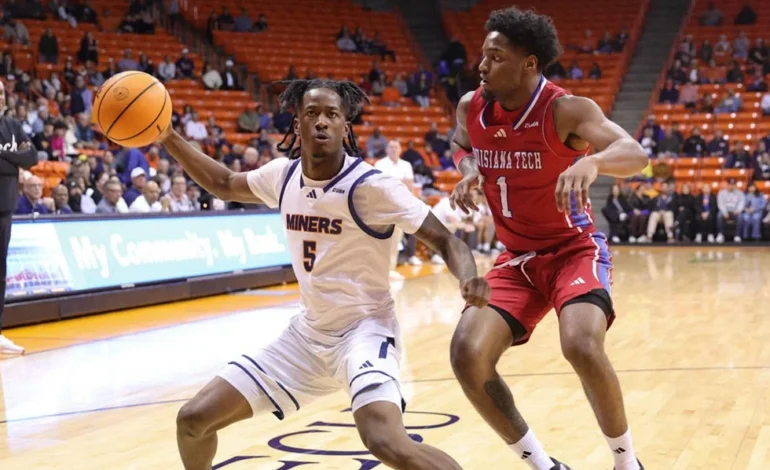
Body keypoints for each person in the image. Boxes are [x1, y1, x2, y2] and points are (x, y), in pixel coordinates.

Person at [155, 78, 491, 470]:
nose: (321, 121)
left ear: (345, 125)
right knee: (193, 420)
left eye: (332, 114)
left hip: (365, 332)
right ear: (297, 122)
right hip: (306, 337)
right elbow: (224, 183)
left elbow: (447, 240)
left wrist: (468, 278)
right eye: (312, 112)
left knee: (386, 441)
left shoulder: (372, 187)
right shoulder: (282, 176)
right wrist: (168, 137)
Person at [447, 8, 648, 470]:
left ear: (529, 64)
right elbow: (461, 143)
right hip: (516, 258)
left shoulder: (565, 110)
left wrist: (593, 161)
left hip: (572, 251)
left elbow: (634, 153)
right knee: (467, 354)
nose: (482, 66)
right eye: (483, 55)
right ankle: (544, 466)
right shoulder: (470, 106)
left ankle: (626, 463)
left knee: (580, 344)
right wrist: (470, 169)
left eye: (496, 57)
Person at [0, 80, 38, 354]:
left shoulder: (12, 125)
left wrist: (5, 155)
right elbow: (19, 160)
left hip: (5, 208)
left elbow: (32, 157)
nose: (0, 98)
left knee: (0, 273)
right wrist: (14, 159)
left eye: (1, 93)